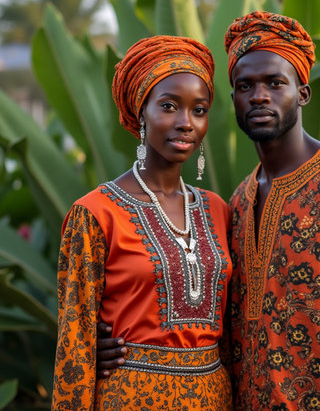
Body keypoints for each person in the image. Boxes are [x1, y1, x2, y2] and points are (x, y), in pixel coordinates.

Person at [97, 11, 320, 410]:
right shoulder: (238, 201)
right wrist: (106, 341)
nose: (259, 96)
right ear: (233, 101)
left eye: (275, 82)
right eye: (245, 86)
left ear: (303, 92)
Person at [52, 36, 233, 410]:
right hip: (130, 399)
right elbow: (75, 341)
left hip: (213, 399)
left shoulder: (218, 210)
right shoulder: (95, 214)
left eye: (199, 110)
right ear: (140, 113)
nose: (185, 123)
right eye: (169, 106)